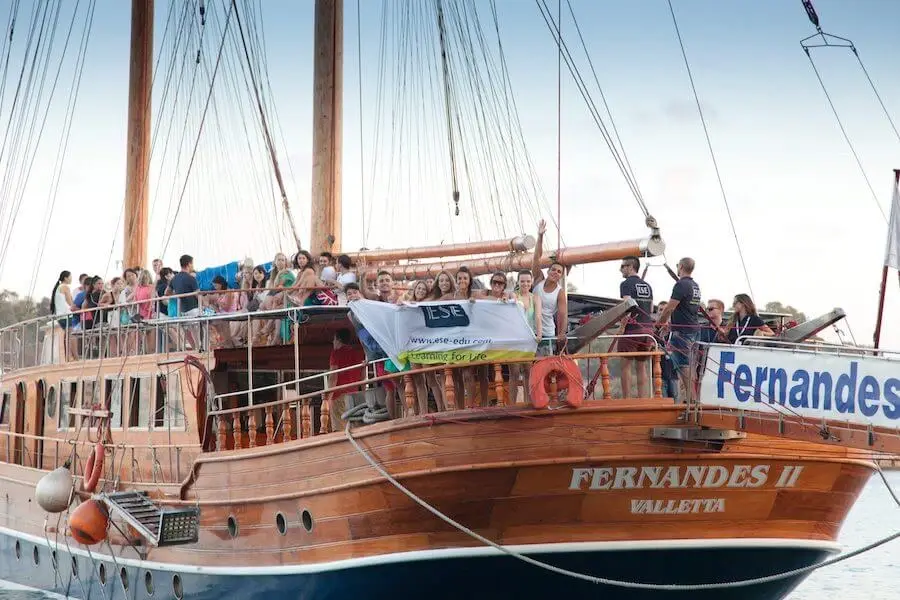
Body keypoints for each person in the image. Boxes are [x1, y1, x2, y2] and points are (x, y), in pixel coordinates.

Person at [656, 257, 701, 400]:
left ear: (681, 266)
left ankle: (691, 400)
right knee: (690, 366)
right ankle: (692, 398)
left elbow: (670, 307)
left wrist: (659, 323)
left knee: (683, 365)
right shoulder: (695, 286)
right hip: (693, 328)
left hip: (683, 332)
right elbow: (686, 308)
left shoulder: (681, 285)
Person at [617, 256, 654, 398]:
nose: (620, 270)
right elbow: (650, 308)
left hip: (632, 329)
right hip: (648, 329)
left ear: (630, 267)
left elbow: (627, 306)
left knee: (625, 366)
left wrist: (621, 327)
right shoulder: (647, 286)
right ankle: (642, 398)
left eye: (622, 266)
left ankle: (626, 399)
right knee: (641, 366)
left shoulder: (625, 284)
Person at [530, 220, 568, 355]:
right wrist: (540, 237)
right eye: (553, 270)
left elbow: (563, 314)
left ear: (561, 276)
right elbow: (536, 259)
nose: (555, 273)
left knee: (545, 366)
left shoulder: (560, 292)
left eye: (559, 272)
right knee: (528, 366)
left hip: (547, 333)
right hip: (530, 329)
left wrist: (562, 334)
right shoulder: (538, 279)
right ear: (548, 271)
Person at [509, 270, 541, 404]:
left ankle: (528, 402)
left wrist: (539, 333)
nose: (525, 284)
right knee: (514, 372)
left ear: (532, 281)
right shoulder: (513, 295)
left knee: (528, 371)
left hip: (529, 338)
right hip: (515, 338)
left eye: (528, 281)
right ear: (518, 282)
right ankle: (512, 404)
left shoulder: (535, 297)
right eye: (522, 281)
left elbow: (538, 316)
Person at [326, 329, 366, 432]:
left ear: (338, 339)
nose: (333, 342)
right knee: (355, 428)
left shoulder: (336, 353)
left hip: (339, 396)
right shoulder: (358, 353)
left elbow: (333, 377)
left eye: (334, 339)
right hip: (354, 395)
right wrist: (363, 393)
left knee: (339, 430)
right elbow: (363, 376)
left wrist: (328, 398)